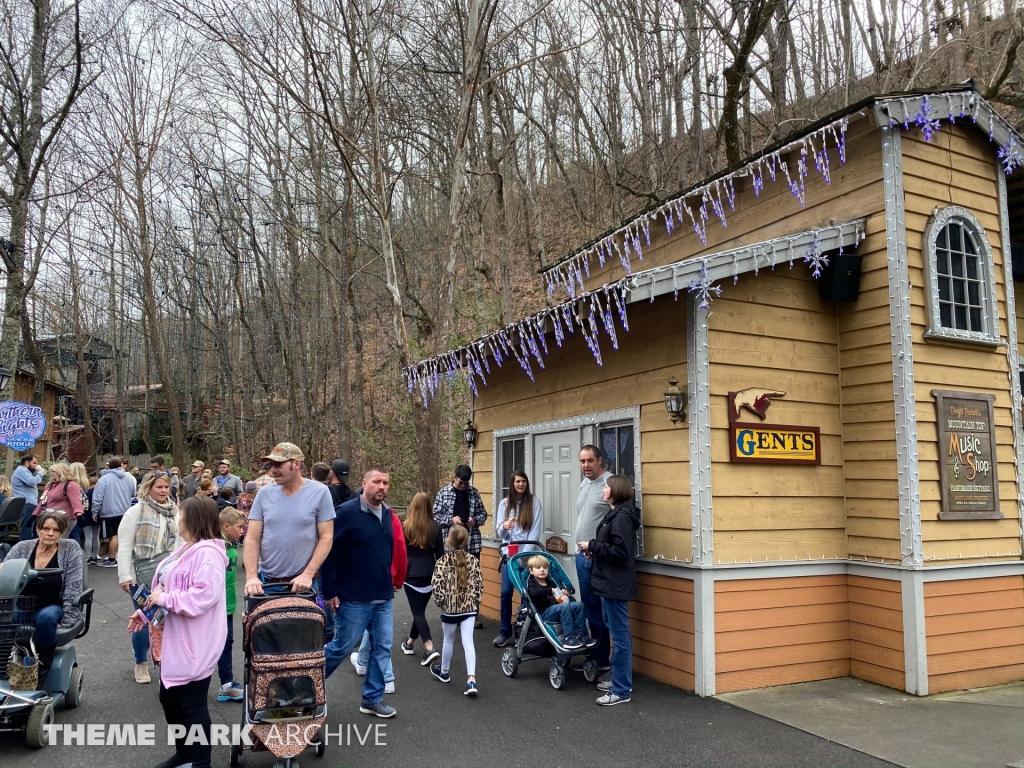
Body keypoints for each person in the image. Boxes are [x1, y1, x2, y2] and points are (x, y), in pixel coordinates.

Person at [129, 496, 227, 768]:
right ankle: (185, 755)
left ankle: (200, 762)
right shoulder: (186, 548)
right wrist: (145, 612)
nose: (177, 519)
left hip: (194, 641)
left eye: (180, 514)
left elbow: (203, 596)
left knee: (192, 704)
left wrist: (164, 599)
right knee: (169, 698)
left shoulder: (208, 554)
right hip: (174, 639)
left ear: (193, 519)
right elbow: (164, 587)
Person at [321, 467, 398, 718]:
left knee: (382, 648)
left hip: (383, 596)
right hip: (354, 597)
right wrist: (329, 591)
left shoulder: (387, 514)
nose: (382, 486)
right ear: (364, 484)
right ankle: (304, 688)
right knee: (341, 647)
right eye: (377, 482)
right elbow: (329, 554)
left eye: (385, 482)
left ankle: (372, 699)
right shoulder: (346, 513)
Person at [578, 474, 640, 707]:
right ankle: (619, 680)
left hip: (615, 585)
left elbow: (621, 552)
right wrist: (594, 552)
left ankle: (621, 689)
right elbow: (612, 548)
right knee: (616, 631)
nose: (603, 490)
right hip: (608, 583)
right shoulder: (614, 514)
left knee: (620, 636)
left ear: (615, 491)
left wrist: (593, 546)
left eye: (606, 487)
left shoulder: (621, 517)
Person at [243, 442, 334, 596]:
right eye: (272, 465)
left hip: (303, 585)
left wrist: (308, 574)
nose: (273, 469)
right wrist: (251, 577)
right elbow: (252, 538)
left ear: (296, 464)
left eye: (278, 464)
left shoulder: (320, 492)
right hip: (267, 584)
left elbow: (327, 537)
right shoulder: (264, 494)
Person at [117, 473, 181, 684]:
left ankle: (164, 663)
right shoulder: (135, 512)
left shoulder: (175, 512)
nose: (164, 491)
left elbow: (181, 542)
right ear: (148, 488)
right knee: (144, 619)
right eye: (159, 487)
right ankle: (140, 662)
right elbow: (125, 546)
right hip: (142, 574)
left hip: (169, 573)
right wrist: (125, 576)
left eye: (166, 487)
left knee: (166, 620)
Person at [1, 511, 84, 673]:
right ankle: (4, 666)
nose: (50, 533)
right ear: (38, 529)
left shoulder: (70, 549)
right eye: (46, 528)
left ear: (63, 531)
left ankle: (41, 669)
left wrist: (68, 619)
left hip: (51, 606)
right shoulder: (22, 548)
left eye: (56, 530)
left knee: (47, 618)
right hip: (21, 606)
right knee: (3, 617)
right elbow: (5, 577)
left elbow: (74, 586)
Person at [351, 508, 406, 694]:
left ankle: (386, 676)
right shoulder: (391, 517)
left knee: (376, 631)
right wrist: (398, 578)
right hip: (384, 579)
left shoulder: (355, 516)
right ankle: (362, 661)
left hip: (364, 580)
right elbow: (400, 548)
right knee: (376, 627)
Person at [429, 524, 484, 696]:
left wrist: (442, 603)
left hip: (450, 609)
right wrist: (475, 601)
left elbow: (437, 587)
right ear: (466, 540)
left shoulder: (442, 562)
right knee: (468, 641)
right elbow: (479, 585)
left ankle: (444, 671)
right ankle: (471, 680)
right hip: (469, 608)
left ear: (449, 540)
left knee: (448, 640)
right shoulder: (473, 561)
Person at [492, 470, 543, 647]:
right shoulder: (504, 504)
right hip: (509, 557)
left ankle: (524, 632)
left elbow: (535, 532)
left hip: (527, 557)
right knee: (506, 592)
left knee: (525, 594)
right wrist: (504, 526)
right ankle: (504, 631)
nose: (521, 484)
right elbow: (500, 533)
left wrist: (524, 557)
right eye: (517, 481)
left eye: (523, 481)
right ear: (512, 484)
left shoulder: (534, 503)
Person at [575, 445, 612, 673]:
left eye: (590, 460)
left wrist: (597, 548)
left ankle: (602, 660)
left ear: (600, 460)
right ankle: (594, 657)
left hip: (598, 558)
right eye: (582, 461)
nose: (586, 465)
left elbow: (618, 520)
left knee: (600, 611)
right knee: (589, 609)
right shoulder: (585, 483)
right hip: (581, 556)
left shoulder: (610, 484)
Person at [399, 492, 443, 666]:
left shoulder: (405, 526)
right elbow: (440, 554)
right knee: (420, 612)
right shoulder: (436, 527)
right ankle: (409, 643)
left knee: (418, 613)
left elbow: (401, 552)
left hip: (411, 573)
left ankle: (429, 648)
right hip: (429, 573)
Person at [525, 555, 594, 650]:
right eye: (538, 568)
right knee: (564, 607)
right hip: (545, 613)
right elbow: (534, 592)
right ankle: (569, 638)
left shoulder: (550, 583)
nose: (542, 570)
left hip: (557, 609)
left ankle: (580, 635)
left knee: (579, 605)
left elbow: (559, 598)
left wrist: (563, 595)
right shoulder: (532, 583)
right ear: (531, 571)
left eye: (545, 567)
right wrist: (551, 591)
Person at [217, 508, 246, 703]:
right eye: (240, 527)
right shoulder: (215, 546)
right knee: (212, 644)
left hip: (228, 604)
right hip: (216, 606)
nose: (243, 531)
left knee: (226, 643)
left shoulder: (231, 544)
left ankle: (226, 685)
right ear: (226, 527)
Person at [433, 464, 488, 558]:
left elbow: (483, 514)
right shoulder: (443, 493)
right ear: (455, 477)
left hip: (471, 541)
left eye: (466, 483)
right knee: (450, 567)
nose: (463, 486)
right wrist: (451, 520)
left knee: (472, 567)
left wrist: (475, 521)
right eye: (460, 482)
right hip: (449, 542)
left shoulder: (474, 493)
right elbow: (435, 515)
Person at [93, 456, 138, 568]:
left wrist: (94, 511)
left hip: (109, 512)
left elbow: (97, 497)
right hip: (125, 511)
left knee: (113, 535)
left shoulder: (104, 479)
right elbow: (133, 493)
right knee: (122, 535)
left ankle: (112, 558)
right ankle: (120, 557)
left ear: (109, 466)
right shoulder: (129, 478)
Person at [34, 463, 84, 540]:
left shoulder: (71, 484)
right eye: (51, 471)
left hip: (64, 518)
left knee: (59, 539)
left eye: (53, 471)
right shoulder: (51, 485)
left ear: (60, 472)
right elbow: (43, 500)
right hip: (50, 517)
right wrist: (35, 514)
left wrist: (79, 514)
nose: (51, 473)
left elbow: (76, 501)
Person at [13, 454, 45, 541]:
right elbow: (31, 482)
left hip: (29, 503)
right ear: (27, 463)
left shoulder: (23, 471)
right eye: (34, 463)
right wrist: (40, 474)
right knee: (27, 528)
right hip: (27, 503)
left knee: (32, 528)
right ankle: (25, 547)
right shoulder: (22, 470)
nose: (36, 465)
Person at [69, 462, 92, 547]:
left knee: (68, 534)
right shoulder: (86, 484)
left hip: (70, 511)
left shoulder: (69, 484)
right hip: (82, 511)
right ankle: (76, 552)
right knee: (76, 534)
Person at [83, 476, 100, 564]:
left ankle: (87, 556)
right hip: (97, 515)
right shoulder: (99, 492)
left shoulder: (87, 492)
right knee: (96, 536)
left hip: (86, 515)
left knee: (88, 537)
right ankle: (96, 555)